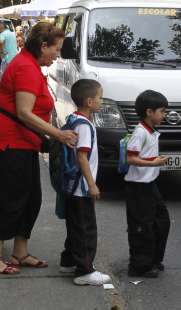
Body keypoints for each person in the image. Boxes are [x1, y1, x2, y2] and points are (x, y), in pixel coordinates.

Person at [0, 22, 77, 275]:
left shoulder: (31, 64)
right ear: (43, 46)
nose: (58, 54)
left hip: (23, 141)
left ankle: (20, 252)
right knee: (13, 198)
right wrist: (59, 134)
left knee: (31, 197)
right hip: (9, 140)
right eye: (56, 49)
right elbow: (24, 112)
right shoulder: (25, 66)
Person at [59, 79, 111, 286]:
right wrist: (92, 184)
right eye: (100, 98)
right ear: (89, 101)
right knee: (85, 229)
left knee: (75, 226)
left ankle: (69, 261)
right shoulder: (85, 125)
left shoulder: (73, 118)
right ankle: (85, 271)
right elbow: (82, 157)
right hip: (81, 187)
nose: (101, 102)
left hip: (71, 186)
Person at [124, 90, 171, 278]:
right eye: (162, 111)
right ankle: (138, 266)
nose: (164, 115)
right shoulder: (140, 132)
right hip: (138, 188)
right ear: (149, 112)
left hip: (151, 185)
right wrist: (153, 163)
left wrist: (154, 161)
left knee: (162, 222)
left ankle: (152, 258)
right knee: (141, 226)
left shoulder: (151, 131)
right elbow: (130, 159)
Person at [0, 23, 18, 92]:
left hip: (7, 56)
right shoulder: (12, 34)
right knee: (12, 73)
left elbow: (1, 42)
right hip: (15, 55)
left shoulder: (3, 34)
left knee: (2, 72)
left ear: (0, 28)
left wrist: (2, 51)